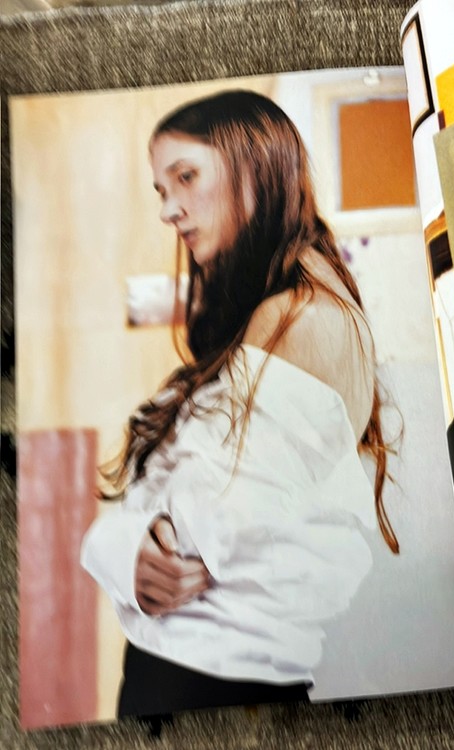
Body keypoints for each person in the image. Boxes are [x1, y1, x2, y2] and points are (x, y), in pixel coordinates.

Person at [80, 90, 399, 719]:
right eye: (161, 190)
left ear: (255, 166)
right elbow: (184, 515)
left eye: (186, 177)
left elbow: (200, 536)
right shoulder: (275, 307)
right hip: (200, 671)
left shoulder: (298, 316)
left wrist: (113, 540)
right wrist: (124, 541)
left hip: (207, 680)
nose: (169, 209)